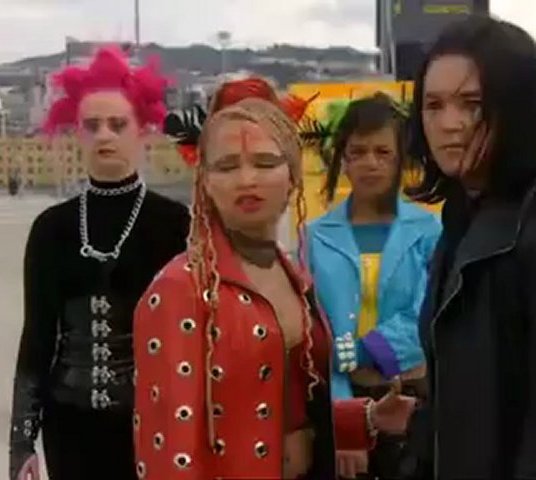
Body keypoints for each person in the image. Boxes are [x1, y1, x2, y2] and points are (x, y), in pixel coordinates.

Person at [133, 82, 417, 480]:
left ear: (292, 177)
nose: (247, 179)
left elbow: (289, 400)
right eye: (227, 166)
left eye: (265, 163)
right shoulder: (181, 289)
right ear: (206, 182)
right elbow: (170, 455)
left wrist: (364, 418)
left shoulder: (294, 275)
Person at [403, 15, 536, 479]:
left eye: (472, 104)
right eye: (433, 105)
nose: (448, 124)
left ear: (515, 110)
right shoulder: (460, 221)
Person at [9, 46, 191, 480]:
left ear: (142, 130)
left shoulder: (175, 224)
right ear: (78, 133)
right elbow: (37, 337)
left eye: (117, 124)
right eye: (92, 126)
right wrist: (21, 443)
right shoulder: (51, 228)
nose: (105, 136)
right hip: (69, 427)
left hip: (155, 424)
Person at [306, 93, 441, 479]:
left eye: (383, 152)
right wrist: (346, 418)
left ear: (401, 159)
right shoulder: (314, 238)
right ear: (343, 160)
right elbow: (316, 327)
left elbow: (427, 313)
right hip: (341, 393)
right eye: (358, 152)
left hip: (413, 393)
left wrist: (360, 351)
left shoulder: (428, 231)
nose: (370, 163)